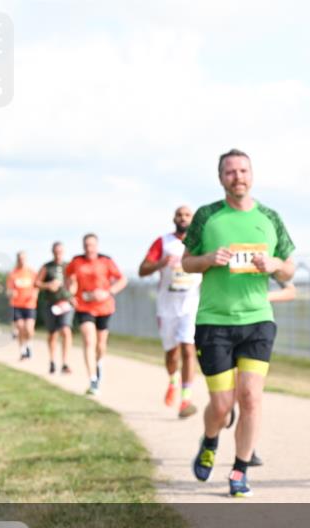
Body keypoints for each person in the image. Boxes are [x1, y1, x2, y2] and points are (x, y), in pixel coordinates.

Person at [183, 148, 296, 497]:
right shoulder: (206, 216)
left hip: (257, 320)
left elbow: (289, 269)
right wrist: (207, 258)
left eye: (243, 170)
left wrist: (274, 265)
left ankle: (239, 470)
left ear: (252, 175)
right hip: (214, 322)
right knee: (221, 405)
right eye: (230, 172)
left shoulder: (269, 217)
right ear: (221, 179)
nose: (238, 177)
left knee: (250, 397)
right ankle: (210, 438)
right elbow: (186, 263)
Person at [139, 206, 202, 419]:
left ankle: (186, 399)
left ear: (193, 220)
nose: (183, 218)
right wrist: (160, 263)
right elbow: (142, 269)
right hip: (167, 306)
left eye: (187, 215)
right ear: (174, 218)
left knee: (187, 348)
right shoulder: (163, 242)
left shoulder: (200, 242)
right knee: (171, 352)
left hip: (191, 304)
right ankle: (173, 380)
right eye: (180, 215)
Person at [66, 234, 127, 396]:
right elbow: (68, 277)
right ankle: (93, 380)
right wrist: (71, 292)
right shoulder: (76, 261)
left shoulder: (106, 261)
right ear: (83, 246)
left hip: (104, 307)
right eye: (86, 245)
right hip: (84, 306)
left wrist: (108, 292)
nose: (89, 248)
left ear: (97, 246)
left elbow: (122, 279)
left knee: (101, 345)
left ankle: (99, 363)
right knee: (88, 340)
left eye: (92, 245)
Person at [36, 242, 75, 375]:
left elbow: (75, 282)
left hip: (65, 304)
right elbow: (37, 283)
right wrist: (48, 285)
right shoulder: (47, 267)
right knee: (52, 334)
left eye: (60, 252)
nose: (58, 254)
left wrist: (73, 293)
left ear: (63, 252)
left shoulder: (68, 266)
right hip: (51, 304)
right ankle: (52, 361)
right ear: (52, 252)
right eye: (56, 252)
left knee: (66, 330)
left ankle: (65, 363)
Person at [7, 251, 38, 361]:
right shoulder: (13, 274)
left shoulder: (32, 272)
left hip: (29, 305)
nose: (22, 260)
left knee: (29, 329)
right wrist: (11, 293)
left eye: (23, 258)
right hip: (16, 305)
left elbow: (37, 286)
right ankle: (22, 350)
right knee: (20, 327)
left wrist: (35, 294)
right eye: (20, 258)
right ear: (17, 259)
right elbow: (9, 290)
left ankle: (29, 345)